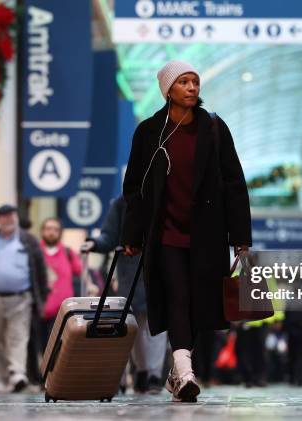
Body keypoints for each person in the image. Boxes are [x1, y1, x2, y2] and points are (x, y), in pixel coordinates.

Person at [121, 60, 252, 402]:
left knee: (197, 302)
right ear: (168, 90)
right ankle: (186, 369)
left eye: (195, 82)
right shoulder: (150, 132)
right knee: (177, 294)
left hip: (207, 234)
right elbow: (135, 186)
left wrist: (241, 237)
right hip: (165, 232)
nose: (192, 88)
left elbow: (234, 183)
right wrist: (132, 235)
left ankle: (176, 374)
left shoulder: (214, 129)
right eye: (184, 82)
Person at [82, 195, 167, 394]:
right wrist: (94, 243)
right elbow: (109, 236)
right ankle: (143, 371)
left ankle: (153, 374)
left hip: (160, 271)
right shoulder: (121, 203)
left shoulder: (164, 200)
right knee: (135, 327)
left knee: (157, 326)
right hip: (131, 275)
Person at [0, 204, 48, 393]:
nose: (8, 219)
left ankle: (17, 373)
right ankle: (1, 377)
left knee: (18, 335)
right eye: (3, 216)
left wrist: (41, 298)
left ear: (16, 217)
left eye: (11, 215)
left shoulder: (28, 241)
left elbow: (40, 270)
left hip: (21, 297)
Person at [39, 217, 89, 349]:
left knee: (60, 348)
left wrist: (90, 285)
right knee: (42, 348)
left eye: (55, 229)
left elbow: (81, 271)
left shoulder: (68, 252)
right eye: (48, 229)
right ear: (42, 231)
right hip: (39, 310)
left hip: (62, 312)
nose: (52, 232)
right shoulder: (35, 252)